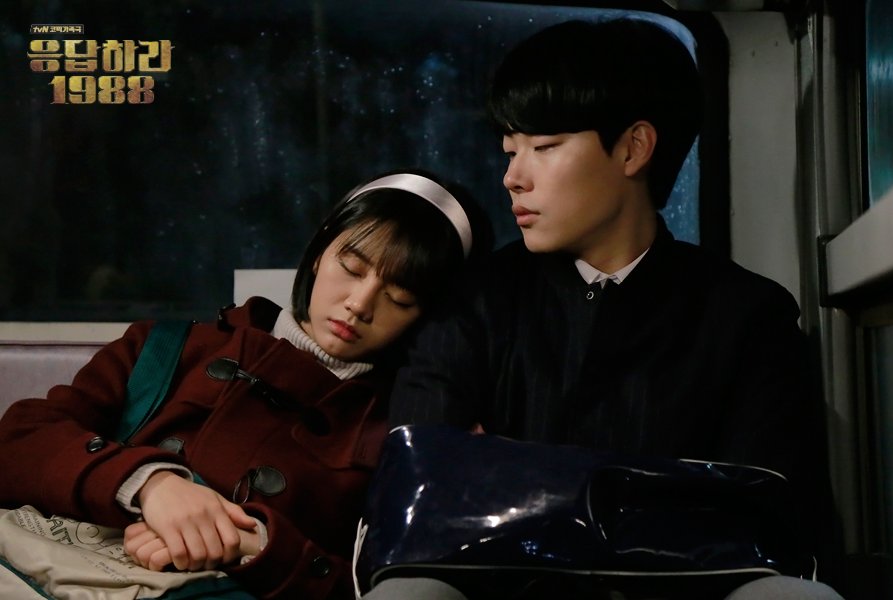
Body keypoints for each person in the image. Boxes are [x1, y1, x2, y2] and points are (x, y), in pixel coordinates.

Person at [365, 17, 842, 600]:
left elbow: (765, 512)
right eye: (510, 150)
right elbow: (423, 489)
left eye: (544, 147)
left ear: (633, 148)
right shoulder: (473, 302)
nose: (513, 178)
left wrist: (506, 472)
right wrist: (661, 490)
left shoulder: (747, 315)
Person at [0, 170, 488, 599]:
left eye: (399, 298)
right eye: (351, 267)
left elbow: (376, 586)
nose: (359, 304)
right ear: (319, 252)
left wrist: (255, 544)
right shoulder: (169, 348)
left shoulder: (403, 437)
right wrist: (149, 483)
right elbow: (18, 439)